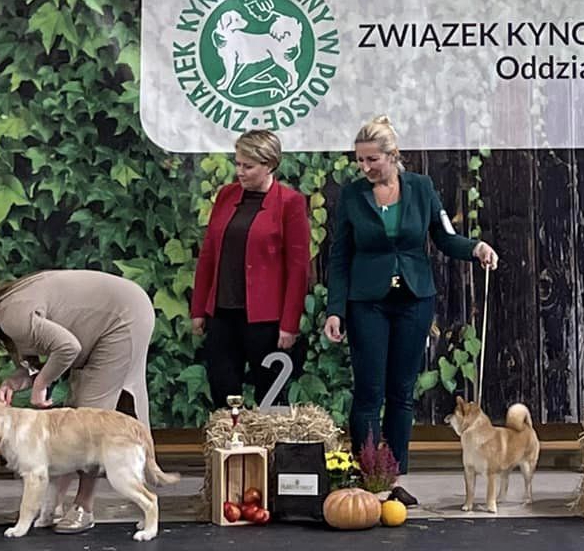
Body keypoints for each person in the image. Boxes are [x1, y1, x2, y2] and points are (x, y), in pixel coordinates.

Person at [321, 117, 497, 505]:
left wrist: (476, 248)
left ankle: (394, 476)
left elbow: (444, 237)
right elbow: (340, 256)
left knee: (402, 393)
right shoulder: (352, 195)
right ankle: (369, 480)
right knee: (369, 392)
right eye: (360, 160)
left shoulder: (421, 188)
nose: (364, 167)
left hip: (414, 301)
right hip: (367, 302)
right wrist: (336, 310)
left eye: (372, 160)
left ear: (393, 155)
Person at [0, 269, 157, 533]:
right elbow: (35, 363)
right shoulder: (5, 318)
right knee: (71, 426)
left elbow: (68, 347)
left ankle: (84, 507)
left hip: (123, 317)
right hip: (113, 315)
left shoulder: (13, 315)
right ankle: (51, 506)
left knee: (88, 420)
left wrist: (41, 385)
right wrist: (15, 381)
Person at [190, 130, 311, 407]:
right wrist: (198, 309)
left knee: (270, 398)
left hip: (265, 321)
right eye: (238, 164)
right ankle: (228, 437)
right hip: (222, 314)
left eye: (248, 166)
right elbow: (208, 254)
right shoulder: (226, 195)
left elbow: (298, 269)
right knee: (222, 394)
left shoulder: (290, 203)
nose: (240, 172)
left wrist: (289, 324)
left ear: (270, 165)